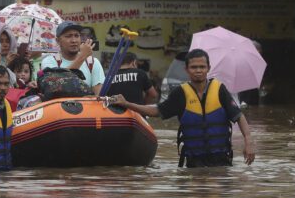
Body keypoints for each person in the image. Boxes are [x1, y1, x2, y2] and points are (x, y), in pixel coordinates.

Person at [109, 49, 256, 167]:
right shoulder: (180, 93)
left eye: (202, 67)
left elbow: (239, 116)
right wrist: (128, 104)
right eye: (194, 67)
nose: (198, 70)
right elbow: (157, 111)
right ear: (186, 69)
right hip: (194, 160)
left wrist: (248, 142)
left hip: (222, 159)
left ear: (208, 68)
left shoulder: (219, 89)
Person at [41, 21, 106, 95]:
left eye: (77, 35)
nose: (74, 40)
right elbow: (58, 85)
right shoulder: (49, 61)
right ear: (58, 41)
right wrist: (82, 57)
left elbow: (99, 97)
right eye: (68, 36)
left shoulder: (92, 62)